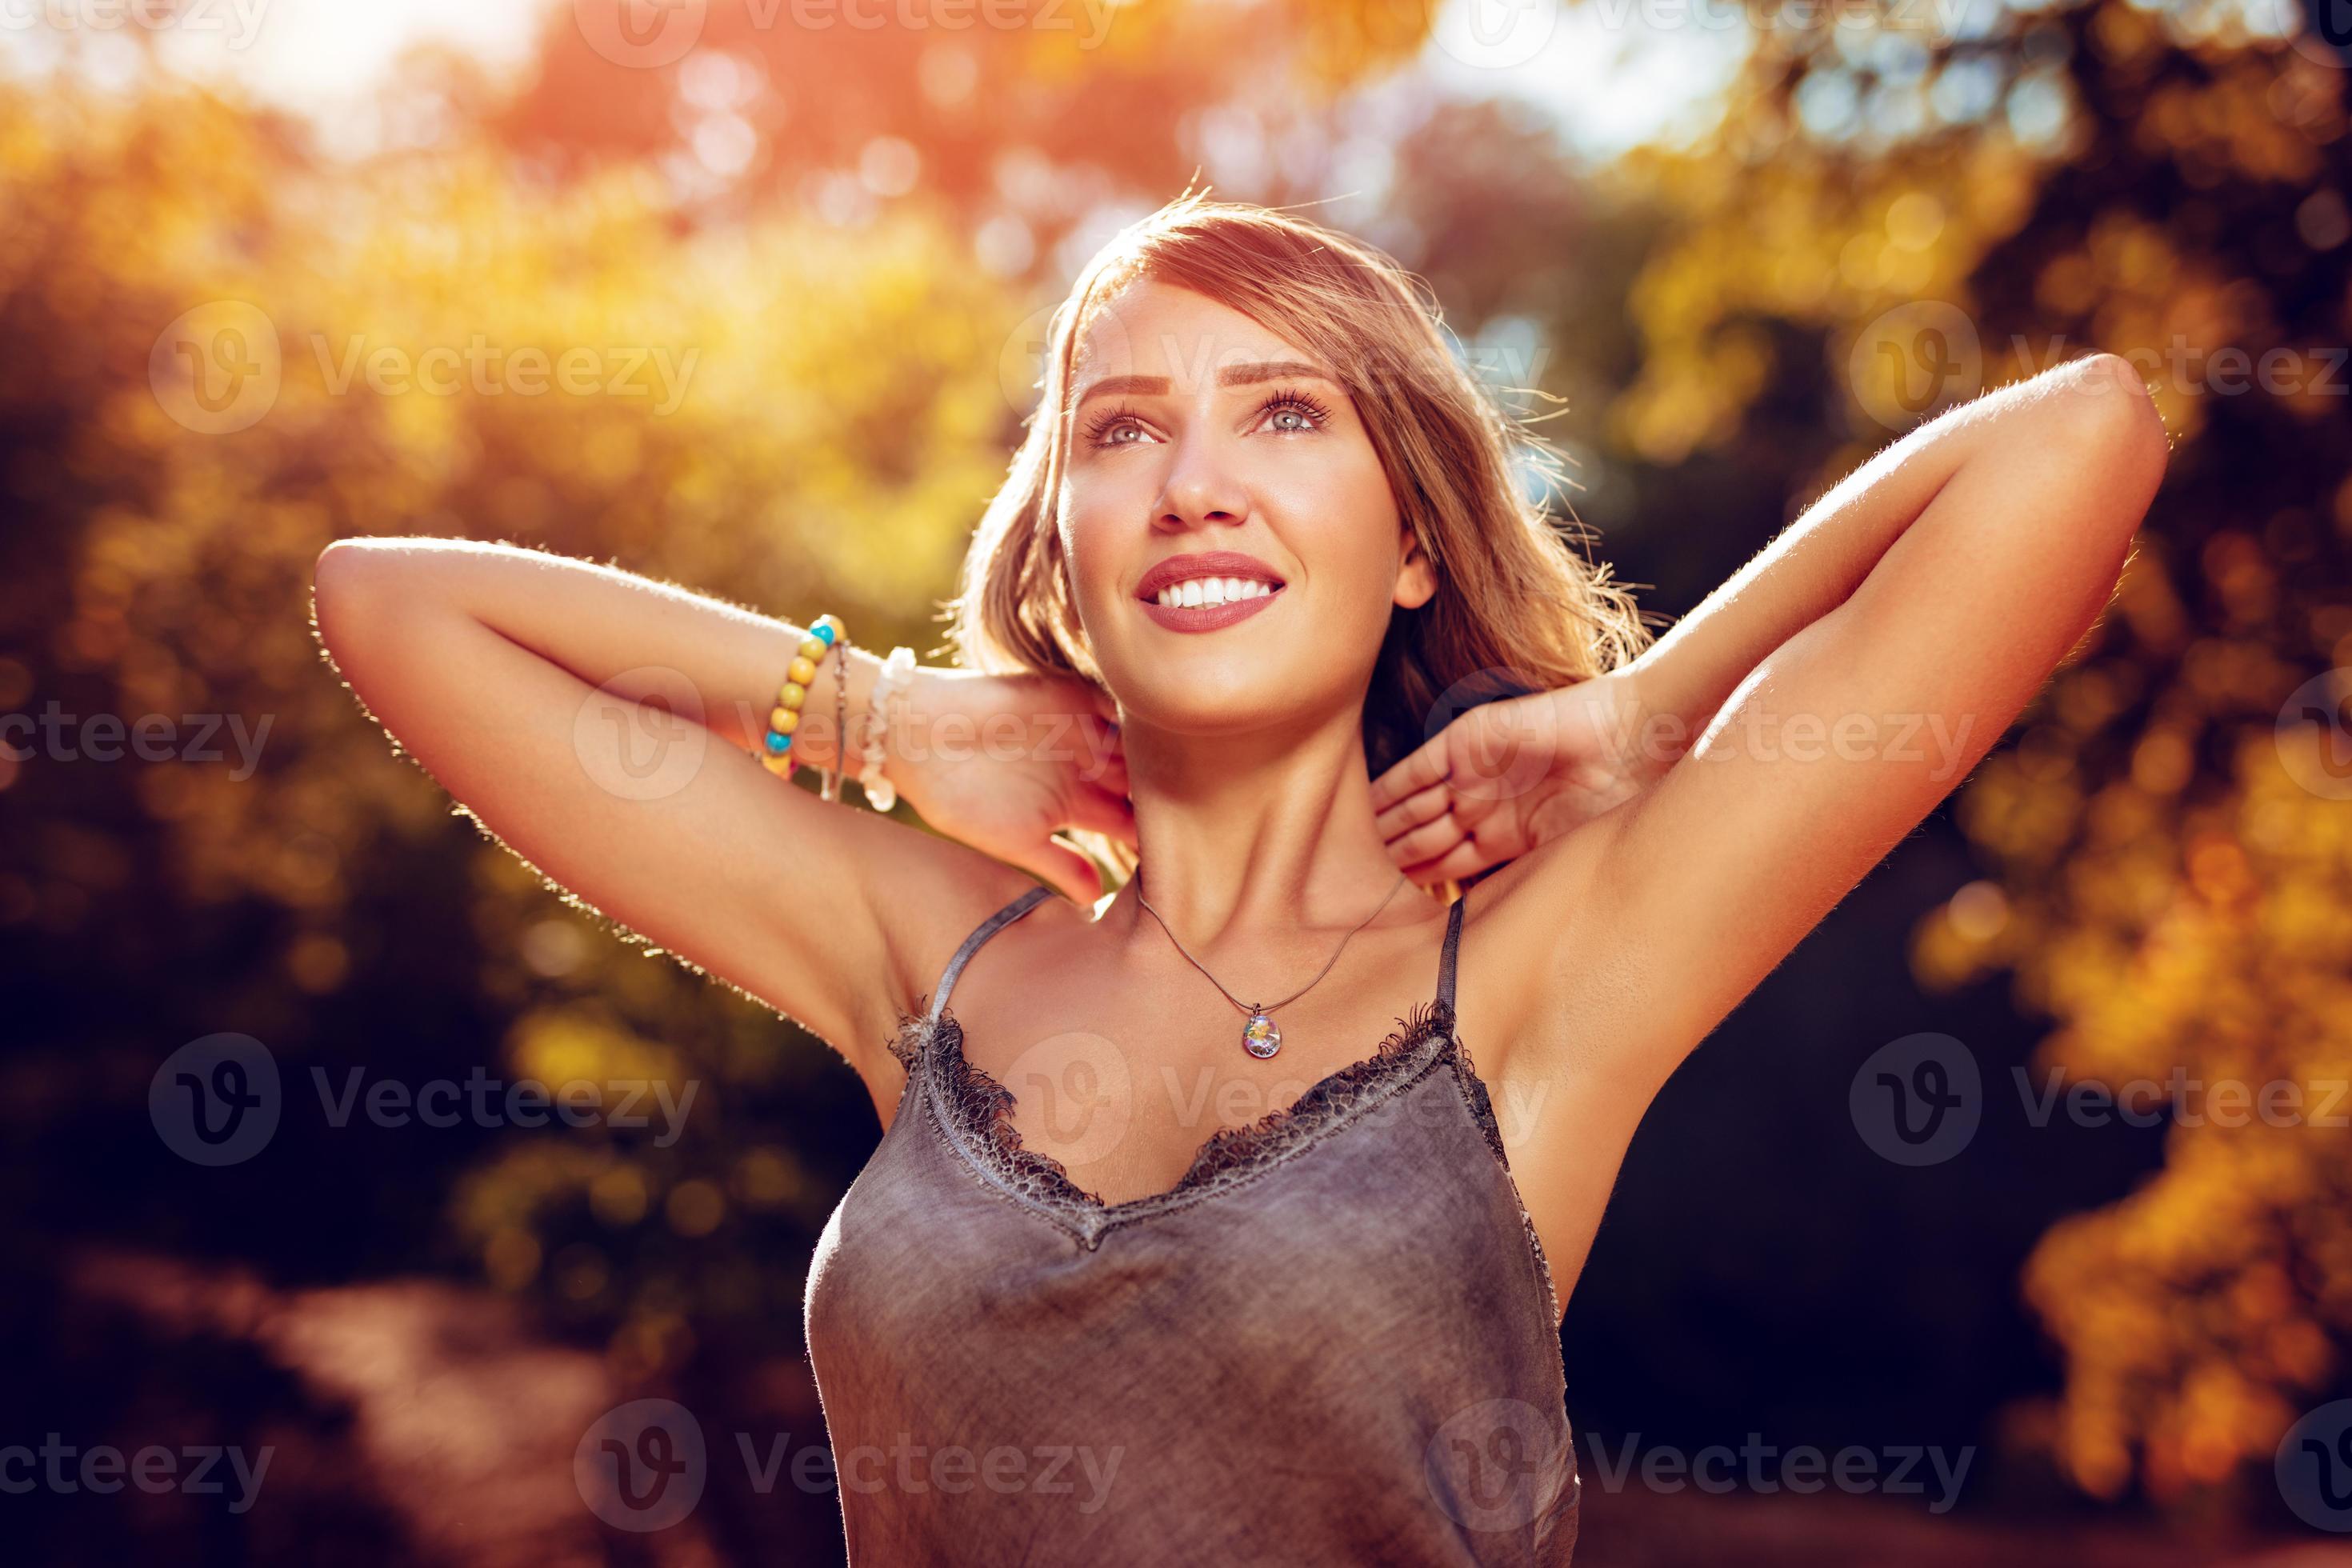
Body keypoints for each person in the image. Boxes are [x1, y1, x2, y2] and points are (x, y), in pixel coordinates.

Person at [310, 193, 2170, 1564]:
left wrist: (1638, 722)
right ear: (1063, 551)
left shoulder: (1542, 964)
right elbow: (391, 606)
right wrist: (882, 718)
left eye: (1284, 414)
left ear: (1417, 542)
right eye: (1124, 430)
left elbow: (2079, 438)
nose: (1195, 480)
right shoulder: (924, 958)